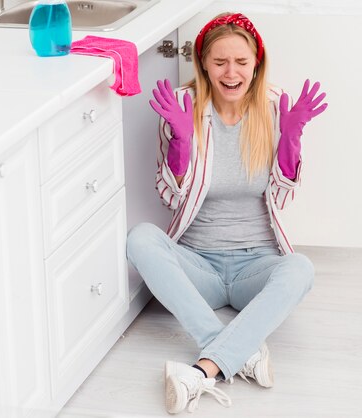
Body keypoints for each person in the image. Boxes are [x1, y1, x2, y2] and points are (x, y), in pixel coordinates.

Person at [126, 12, 327, 414]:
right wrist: (180, 144)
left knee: (301, 268)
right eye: (220, 62)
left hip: (256, 264)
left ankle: (205, 367)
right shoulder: (183, 106)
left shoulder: (275, 109)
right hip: (198, 264)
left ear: (257, 64)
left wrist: (290, 142)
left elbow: (282, 199)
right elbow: (169, 196)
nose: (231, 72)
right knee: (141, 239)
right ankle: (238, 350)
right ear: (203, 63)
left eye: (241, 62)